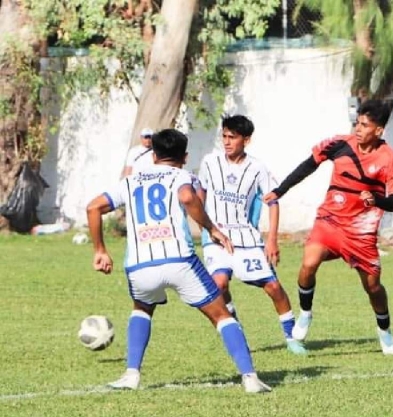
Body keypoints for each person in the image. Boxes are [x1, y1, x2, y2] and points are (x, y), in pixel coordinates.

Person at [86, 128, 271, 393]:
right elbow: (186, 197)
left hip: (140, 264)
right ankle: (250, 378)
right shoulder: (185, 176)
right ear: (184, 157)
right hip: (179, 260)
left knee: (141, 309)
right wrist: (212, 229)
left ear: (153, 156)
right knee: (222, 315)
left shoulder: (130, 181)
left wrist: (100, 250)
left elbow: (93, 208)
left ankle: (131, 375)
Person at [262, 99, 393, 355]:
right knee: (308, 263)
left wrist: (376, 200)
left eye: (364, 125)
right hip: (329, 221)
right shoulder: (340, 144)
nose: (358, 129)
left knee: (373, 287)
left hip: (360, 232)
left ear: (379, 130)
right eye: (357, 123)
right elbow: (308, 166)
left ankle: (384, 331)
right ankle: (305, 314)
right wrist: (279, 191)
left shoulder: (389, 159)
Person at [197, 115, 307, 355]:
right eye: (224, 136)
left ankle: (291, 337)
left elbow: (273, 201)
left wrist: (272, 240)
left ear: (246, 140)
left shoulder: (257, 168)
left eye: (232, 137)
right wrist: (203, 227)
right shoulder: (209, 162)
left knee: (273, 288)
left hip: (246, 238)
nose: (227, 142)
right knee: (219, 283)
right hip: (216, 236)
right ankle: (235, 329)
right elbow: (200, 194)